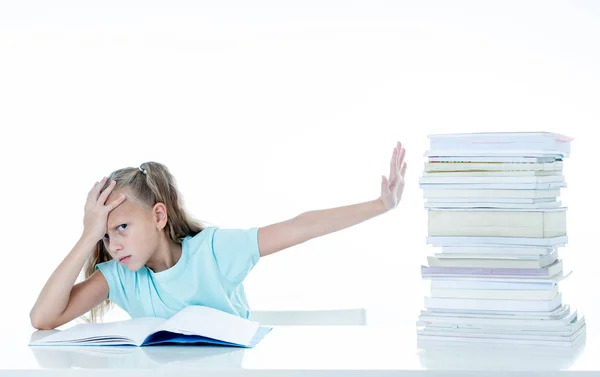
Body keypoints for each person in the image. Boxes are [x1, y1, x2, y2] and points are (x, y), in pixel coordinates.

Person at [30, 141, 407, 330]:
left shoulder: (213, 251)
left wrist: (380, 205)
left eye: (122, 228)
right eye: (106, 236)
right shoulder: (120, 276)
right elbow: (42, 319)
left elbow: (299, 227)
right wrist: (87, 235)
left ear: (158, 216)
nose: (113, 245)